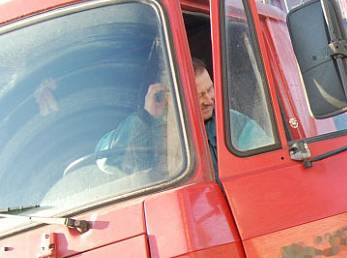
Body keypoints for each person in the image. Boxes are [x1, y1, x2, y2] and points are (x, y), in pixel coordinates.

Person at [97, 57, 270, 173]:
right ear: (170, 98)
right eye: (199, 95)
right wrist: (145, 117)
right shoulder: (147, 128)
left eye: (210, 89)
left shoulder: (232, 122)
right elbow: (106, 161)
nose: (209, 100)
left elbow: (266, 160)